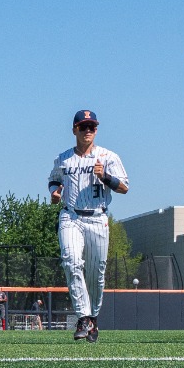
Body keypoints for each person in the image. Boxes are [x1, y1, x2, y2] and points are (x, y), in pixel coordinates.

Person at [48, 108, 130, 342]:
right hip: (71, 216)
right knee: (71, 262)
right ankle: (83, 317)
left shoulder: (108, 157)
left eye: (92, 127)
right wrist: (55, 192)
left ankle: (93, 318)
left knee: (96, 274)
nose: (88, 130)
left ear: (97, 130)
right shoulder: (63, 158)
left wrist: (105, 177)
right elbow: (54, 179)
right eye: (83, 126)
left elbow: (124, 187)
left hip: (97, 217)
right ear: (74, 129)